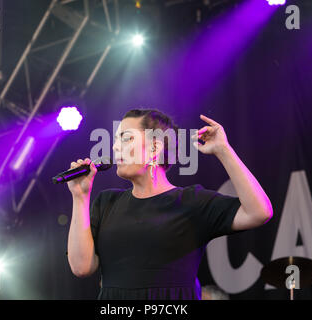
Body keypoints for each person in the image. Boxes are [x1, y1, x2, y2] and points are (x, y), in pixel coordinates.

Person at [66, 108, 273, 300]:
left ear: (155, 146)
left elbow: (259, 212)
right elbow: (81, 267)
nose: (115, 146)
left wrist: (224, 151)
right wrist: (80, 196)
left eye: (126, 138)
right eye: (115, 140)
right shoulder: (107, 202)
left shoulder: (191, 202)